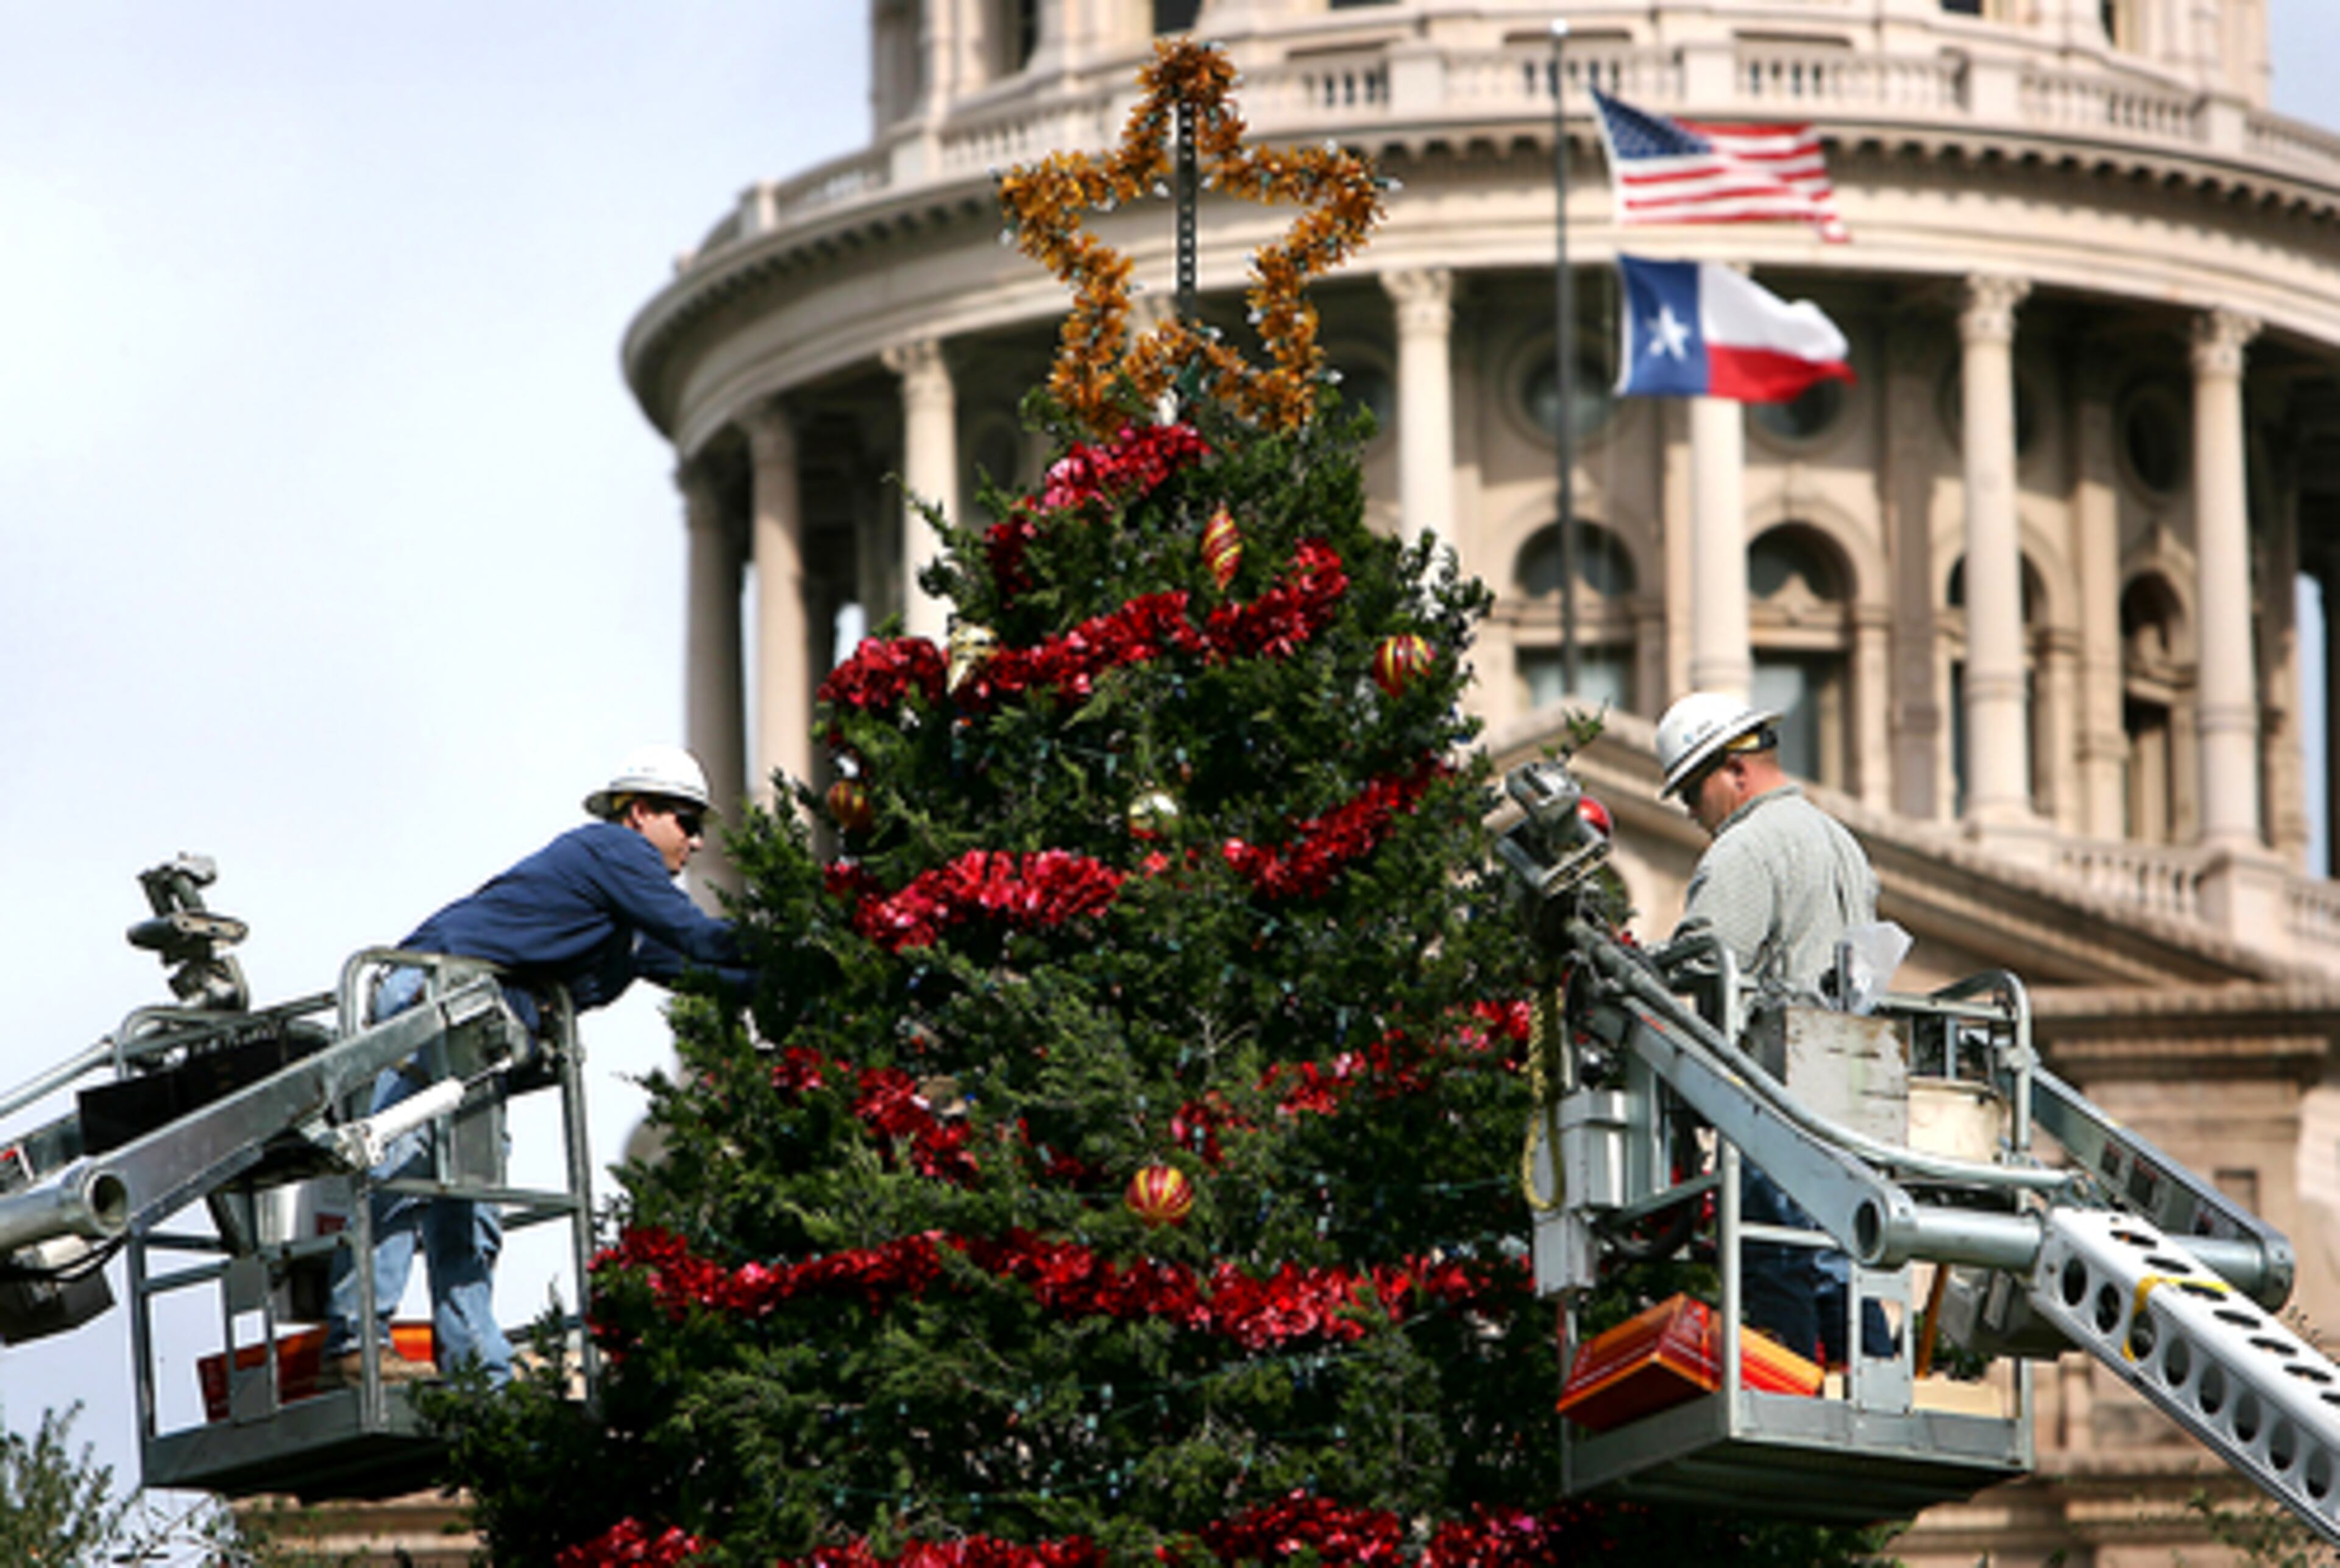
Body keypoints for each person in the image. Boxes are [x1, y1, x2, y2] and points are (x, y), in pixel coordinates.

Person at [320, 744, 754, 1389]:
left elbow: (699, 968)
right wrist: (789, 942)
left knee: (472, 1193)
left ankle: (477, 1369)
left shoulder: (622, 920)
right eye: (686, 822)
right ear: (640, 812)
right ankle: (357, 1342)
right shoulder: (615, 851)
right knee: (402, 1166)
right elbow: (695, 934)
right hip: (435, 994)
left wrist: (787, 979)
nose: (693, 842)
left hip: (471, 1017)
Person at [1653, 692, 1890, 1368]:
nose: (1691, 812)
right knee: (1839, 1264)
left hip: (1777, 1093)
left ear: (1734, 770)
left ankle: (1784, 1389)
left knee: (1773, 1257)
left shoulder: (1747, 847)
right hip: (1847, 1090)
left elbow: (1705, 963)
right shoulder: (1838, 840)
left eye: (1691, 792)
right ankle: (1870, 1381)